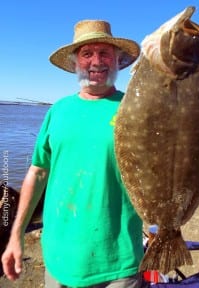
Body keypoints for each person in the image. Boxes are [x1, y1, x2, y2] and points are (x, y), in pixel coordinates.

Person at [1, 20, 146, 287]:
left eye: (104, 53)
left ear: (117, 60)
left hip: (119, 260)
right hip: (59, 259)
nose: (96, 61)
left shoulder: (135, 108)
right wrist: (16, 234)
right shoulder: (58, 110)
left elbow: (158, 171)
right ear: (75, 62)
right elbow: (38, 171)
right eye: (87, 54)